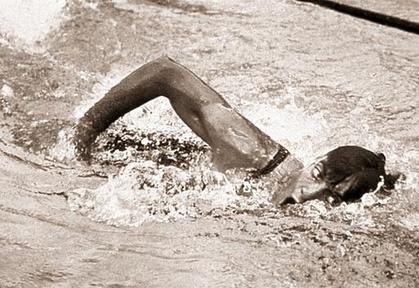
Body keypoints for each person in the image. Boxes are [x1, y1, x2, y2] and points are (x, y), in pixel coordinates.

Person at [74, 56, 399, 205]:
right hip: (118, 154)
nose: (306, 195)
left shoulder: (319, 213)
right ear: (317, 158)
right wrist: (84, 134)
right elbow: (165, 73)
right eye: (316, 174)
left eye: (331, 197)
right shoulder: (253, 152)